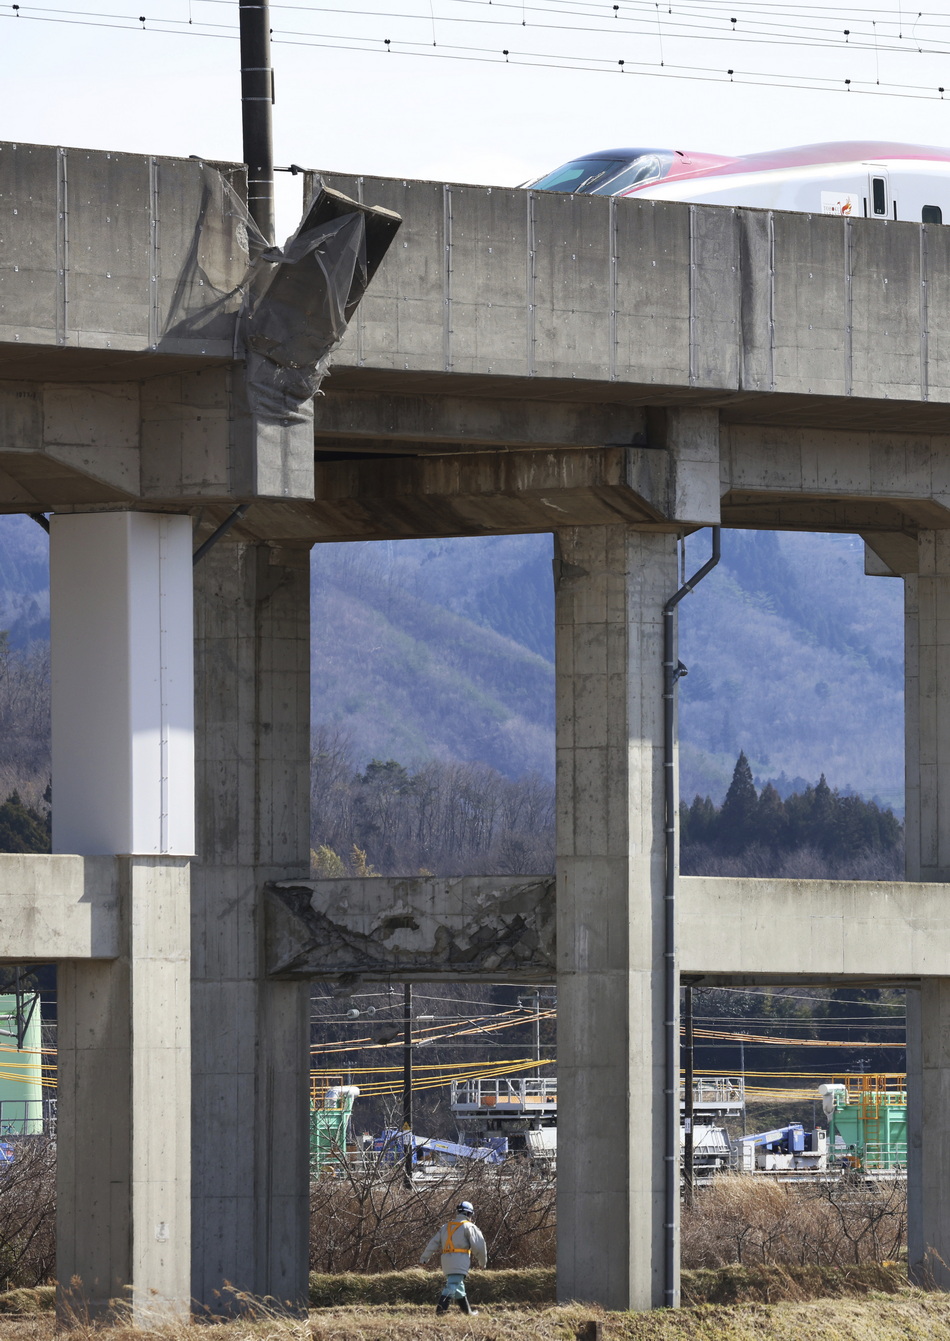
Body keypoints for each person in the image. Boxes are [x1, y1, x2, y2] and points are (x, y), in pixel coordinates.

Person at [419, 1199, 488, 1315]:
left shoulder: (446, 1227)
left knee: (458, 1287)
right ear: (469, 1214)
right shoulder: (469, 1227)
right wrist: (482, 1263)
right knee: (451, 1285)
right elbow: (480, 1246)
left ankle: (468, 1312)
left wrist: (424, 1258)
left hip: (446, 1260)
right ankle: (440, 1311)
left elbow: (433, 1243)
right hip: (460, 1260)